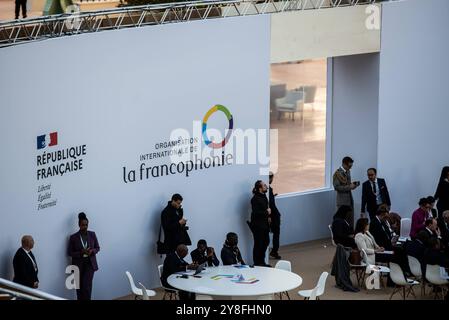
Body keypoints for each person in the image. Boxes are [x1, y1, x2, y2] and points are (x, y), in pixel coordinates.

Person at [68, 212, 100, 300]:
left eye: (86, 225)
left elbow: (97, 248)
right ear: (79, 225)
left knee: (86, 287)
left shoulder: (92, 234)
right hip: (78, 265)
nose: (85, 227)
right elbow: (70, 252)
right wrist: (81, 252)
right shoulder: (73, 237)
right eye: (83, 225)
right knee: (79, 288)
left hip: (90, 264)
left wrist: (92, 251)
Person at [333, 156, 359, 229]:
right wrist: (349, 187)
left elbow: (347, 184)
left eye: (351, 166)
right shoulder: (337, 173)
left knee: (350, 220)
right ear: (344, 164)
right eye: (349, 165)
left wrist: (353, 185)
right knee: (342, 221)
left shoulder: (348, 171)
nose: (350, 167)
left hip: (349, 199)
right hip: (342, 201)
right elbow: (337, 187)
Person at [250, 180, 271, 266]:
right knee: (258, 244)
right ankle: (257, 263)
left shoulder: (263, 196)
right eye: (264, 185)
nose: (266, 187)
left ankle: (261, 261)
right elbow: (256, 213)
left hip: (265, 225)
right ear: (260, 188)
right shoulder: (255, 199)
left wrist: (268, 217)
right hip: (258, 226)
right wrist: (267, 212)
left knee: (266, 242)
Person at [268, 172, 281, 260]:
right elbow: (271, 204)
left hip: (272, 216)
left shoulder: (269, 190)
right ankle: (274, 251)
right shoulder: (269, 190)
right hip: (273, 216)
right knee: (276, 234)